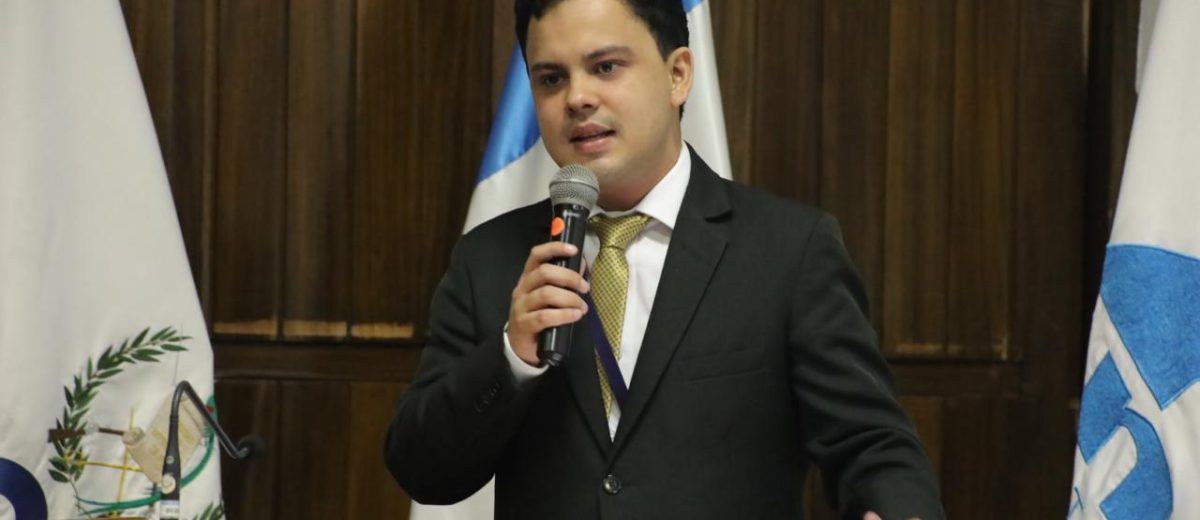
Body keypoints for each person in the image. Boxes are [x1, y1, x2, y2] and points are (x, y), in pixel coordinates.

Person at [384, 0, 944, 518]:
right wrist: (510, 358)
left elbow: (871, 444)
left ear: (678, 75)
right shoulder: (490, 258)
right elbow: (422, 470)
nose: (577, 98)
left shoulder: (788, 251)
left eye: (605, 67)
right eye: (551, 78)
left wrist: (897, 509)